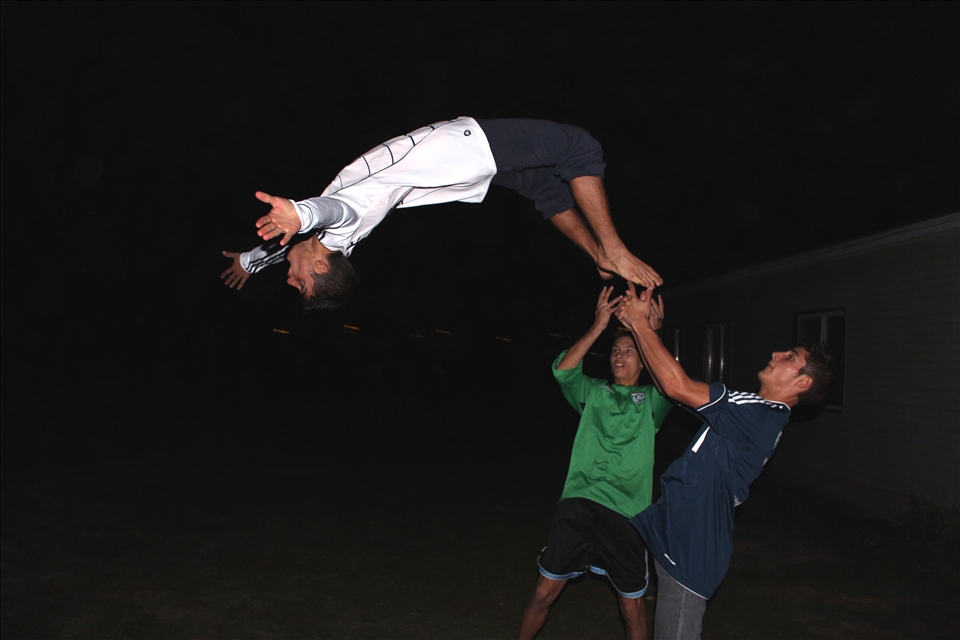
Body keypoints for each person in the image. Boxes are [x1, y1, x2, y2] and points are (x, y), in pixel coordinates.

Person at [220, 117, 662, 309]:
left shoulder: (331, 247)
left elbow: (295, 247)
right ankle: (613, 249)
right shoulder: (342, 223)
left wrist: (250, 260)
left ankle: (595, 254)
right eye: (302, 284)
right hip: (462, 149)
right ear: (321, 264)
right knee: (578, 147)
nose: (290, 279)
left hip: (460, 175)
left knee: (544, 188)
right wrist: (300, 213)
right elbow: (331, 210)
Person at [615, 284, 835, 640]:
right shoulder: (754, 409)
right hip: (678, 538)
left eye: (791, 357)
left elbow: (677, 386)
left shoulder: (761, 416)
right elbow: (669, 384)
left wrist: (639, 325)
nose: (778, 353)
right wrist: (649, 332)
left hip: (692, 552)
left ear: (803, 382)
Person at [519, 286, 673, 640]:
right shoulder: (593, 392)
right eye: (616, 351)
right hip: (579, 502)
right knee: (543, 593)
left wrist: (650, 331)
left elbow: (670, 381)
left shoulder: (653, 400)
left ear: (642, 359)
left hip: (626, 512)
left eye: (630, 351)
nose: (620, 356)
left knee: (631, 607)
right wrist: (599, 325)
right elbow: (563, 371)